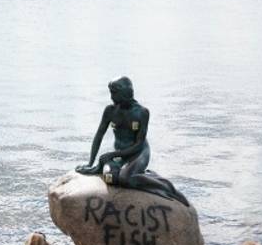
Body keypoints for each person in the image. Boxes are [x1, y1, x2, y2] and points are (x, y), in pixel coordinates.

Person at [74, 76, 190, 207]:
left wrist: (112, 155)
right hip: (120, 155)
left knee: (125, 178)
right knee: (110, 178)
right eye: (110, 93)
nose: (111, 97)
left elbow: (139, 144)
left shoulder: (142, 112)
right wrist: (91, 163)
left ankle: (165, 186)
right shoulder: (110, 111)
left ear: (125, 93)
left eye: (114, 93)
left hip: (139, 153)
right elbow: (99, 135)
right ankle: (139, 175)